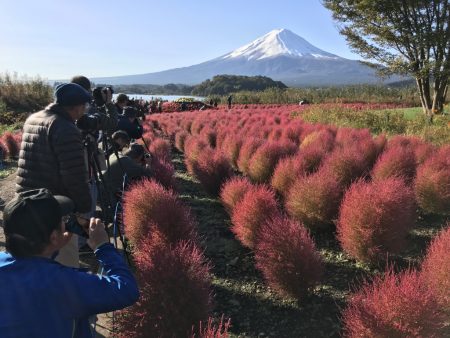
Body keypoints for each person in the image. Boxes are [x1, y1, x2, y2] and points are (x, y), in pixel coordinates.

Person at [0, 188, 139, 338]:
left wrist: (51, 250)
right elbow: (127, 289)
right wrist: (103, 247)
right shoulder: (63, 283)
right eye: (62, 220)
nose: (66, 223)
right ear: (53, 237)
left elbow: (32, 271)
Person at [16, 83, 93, 267]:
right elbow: (74, 175)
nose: (85, 111)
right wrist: (83, 208)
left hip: (28, 199)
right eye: (84, 106)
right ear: (76, 106)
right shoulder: (65, 128)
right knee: (63, 259)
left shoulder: (33, 118)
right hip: (54, 204)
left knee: (35, 254)